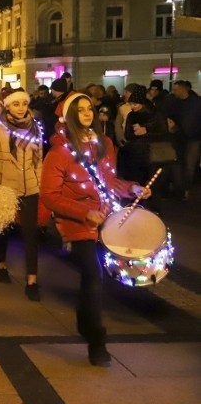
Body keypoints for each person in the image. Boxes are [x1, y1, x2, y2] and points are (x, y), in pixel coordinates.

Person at [40, 93, 149, 366]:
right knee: (93, 272)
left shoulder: (104, 144)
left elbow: (109, 179)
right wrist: (84, 213)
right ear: (69, 116)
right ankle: (97, 341)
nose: (88, 113)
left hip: (105, 216)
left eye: (90, 108)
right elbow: (50, 195)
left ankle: (86, 320)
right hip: (76, 221)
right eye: (81, 110)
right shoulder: (58, 152)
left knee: (98, 275)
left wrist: (132, 188)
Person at [0, 90, 44, 300]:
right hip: (6, 188)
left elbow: (39, 161)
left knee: (30, 234)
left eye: (24, 104)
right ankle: (1, 264)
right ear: (7, 106)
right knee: (4, 229)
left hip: (30, 189)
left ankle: (32, 280)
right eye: (16, 104)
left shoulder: (35, 128)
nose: (20, 107)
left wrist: (39, 184)